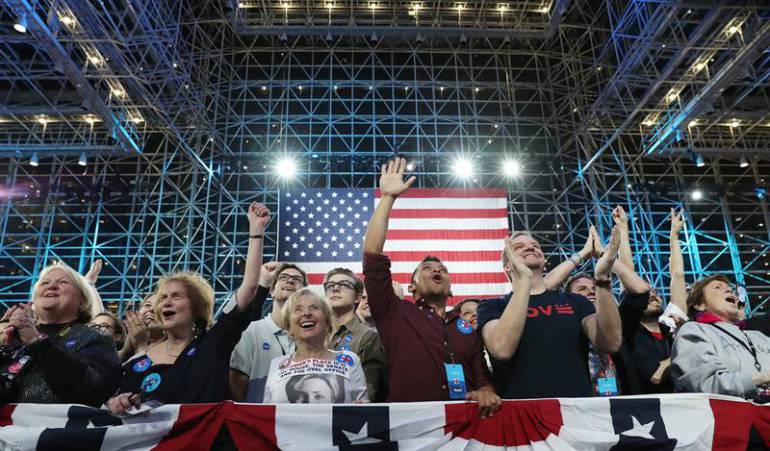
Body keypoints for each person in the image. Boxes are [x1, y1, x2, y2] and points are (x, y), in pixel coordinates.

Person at [362, 158, 499, 418]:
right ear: (411, 287)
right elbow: (372, 256)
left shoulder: (465, 327)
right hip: (410, 427)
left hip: (464, 428)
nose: (436, 270)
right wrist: (388, 198)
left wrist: (485, 390)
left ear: (451, 290)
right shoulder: (394, 313)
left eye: (442, 269)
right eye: (426, 268)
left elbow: (481, 377)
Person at [107, 202, 268, 414]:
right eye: (163, 298)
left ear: (197, 307)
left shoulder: (213, 342)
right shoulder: (138, 360)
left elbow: (249, 287)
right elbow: (115, 403)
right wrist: (116, 402)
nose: (166, 302)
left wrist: (256, 231)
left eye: (177, 296)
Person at [478, 225, 623, 399]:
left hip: (573, 411)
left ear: (543, 259)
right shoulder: (492, 306)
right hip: (522, 411)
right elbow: (502, 349)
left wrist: (602, 279)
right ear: (507, 266)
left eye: (535, 246)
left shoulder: (576, 302)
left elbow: (610, 342)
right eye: (519, 247)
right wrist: (524, 280)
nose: (530, 248)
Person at [0, 262, 120, 406]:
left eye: (63, 282)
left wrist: (36, 342)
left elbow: (95, 390)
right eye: (45, 283)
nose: (51, 286)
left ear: (82, 301)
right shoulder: (12, 336)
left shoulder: (95, 338)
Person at [671, 275, 770, 399]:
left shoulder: (759, 336)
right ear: (700, 305)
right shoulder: (694, 330)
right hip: (732, 410)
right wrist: (761, 378)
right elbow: (706, 384)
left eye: (730, 289)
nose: (729, 290)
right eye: (717, 287)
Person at [263, 288, 368, 403]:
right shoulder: (277, 365)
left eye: (314, 308)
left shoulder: (350, 361)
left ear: (327, 323)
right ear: (289, 329)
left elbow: (363, 408)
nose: (306, 313)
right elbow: (267, 411)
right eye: (298, 309)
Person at [229, 261, 307, 402]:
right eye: (283, 277)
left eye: (297, 279)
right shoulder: (251, 331)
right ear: (272, 291)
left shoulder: (311, 336)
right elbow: (236, 385)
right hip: (258, 415)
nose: (290, 280)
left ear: (304, 294)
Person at [324, 268, 387, 401]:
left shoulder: (369, 337)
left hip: (349, 409)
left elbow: (370, 387)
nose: (335, 289)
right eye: (330, 286)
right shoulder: (315, 334)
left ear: (357, 297)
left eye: (344, 285)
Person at [118, 293, 164, 362]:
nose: (151, 309)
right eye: (147, 305)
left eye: (158, 307)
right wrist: (124, 352)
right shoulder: (123, 343)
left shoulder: (173, 351)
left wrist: (141, 346)